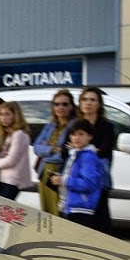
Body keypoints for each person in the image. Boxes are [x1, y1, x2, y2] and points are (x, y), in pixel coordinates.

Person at [55, 119, 110, 230]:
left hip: (80, 209)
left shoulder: (87, 157)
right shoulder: (75, 154)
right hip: (70, 207)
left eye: (81, 134)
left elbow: (88, 184)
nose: (76, 138)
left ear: (89, 136)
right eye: (73, 134)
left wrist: (63, 180)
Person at [76, 87, 116, 233]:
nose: (88, 103)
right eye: (85, 99)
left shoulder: (107, 126)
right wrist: (92, 149)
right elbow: (66, 149)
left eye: (93, 100)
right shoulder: (75, 125)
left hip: (99, 178)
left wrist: (81, 149)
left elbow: (105, 150)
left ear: (99, 104)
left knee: (101, 217)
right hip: (77, 178)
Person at [33, 90, 76, 216]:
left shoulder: (74, 126)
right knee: (46, 212)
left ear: (71, 106)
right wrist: (52, 149)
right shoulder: (50, 125)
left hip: (60, 172)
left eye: (65, 104)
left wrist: (47, 149)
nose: (60, 107)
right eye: (56, 104)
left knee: (58, 212)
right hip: (44, 172)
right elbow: (36, 147)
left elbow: (67, 153)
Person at [0, 100, 32, 199]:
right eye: (1, 114)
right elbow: (8, 153)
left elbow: (11, 160)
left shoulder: (18, 134)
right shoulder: (11, 133)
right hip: (7, 179)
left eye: (7, 114)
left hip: (12, 180)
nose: (3, 117)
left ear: (15, 115)